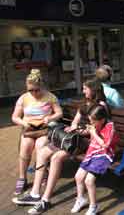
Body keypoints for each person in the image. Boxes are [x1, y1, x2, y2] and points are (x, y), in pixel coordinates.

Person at [13, 79, 108, 214]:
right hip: (74, 139)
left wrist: (83, 130)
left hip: (88, 143)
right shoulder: (85, 103)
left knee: (56, 157)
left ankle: (45, 200)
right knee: (43, 151)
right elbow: (75, 122)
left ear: (94, 90)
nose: (83, 91)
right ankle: (35, 194)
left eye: (85, 88)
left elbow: (99, 129)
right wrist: (73, 127)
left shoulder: (101, 105)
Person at [12, 69, 62, 196]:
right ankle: (22, 178)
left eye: (36, 90)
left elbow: (59, 113)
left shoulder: (50, 97)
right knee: (25, 147)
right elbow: (15, 117)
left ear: (41, 86)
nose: (34, 93)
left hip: (44, 128)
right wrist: (24, 123)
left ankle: (43, 171)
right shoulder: (23, 98)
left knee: (41, 146)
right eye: (30, 90)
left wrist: (49, 118)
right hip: (29, 128)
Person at [71, 105, 119, 214]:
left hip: (104, 155)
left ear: (102, 120)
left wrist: (93, 133)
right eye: (90, 120)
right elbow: (90, 134)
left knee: (89, 180)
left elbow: (105, 145)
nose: (91, 123)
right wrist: (78, 130)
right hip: (92, 152)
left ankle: (93, 206)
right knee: (78, 177)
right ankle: (80, 199)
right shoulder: (96, 124)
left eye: (93, 121)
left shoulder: (110, 127)